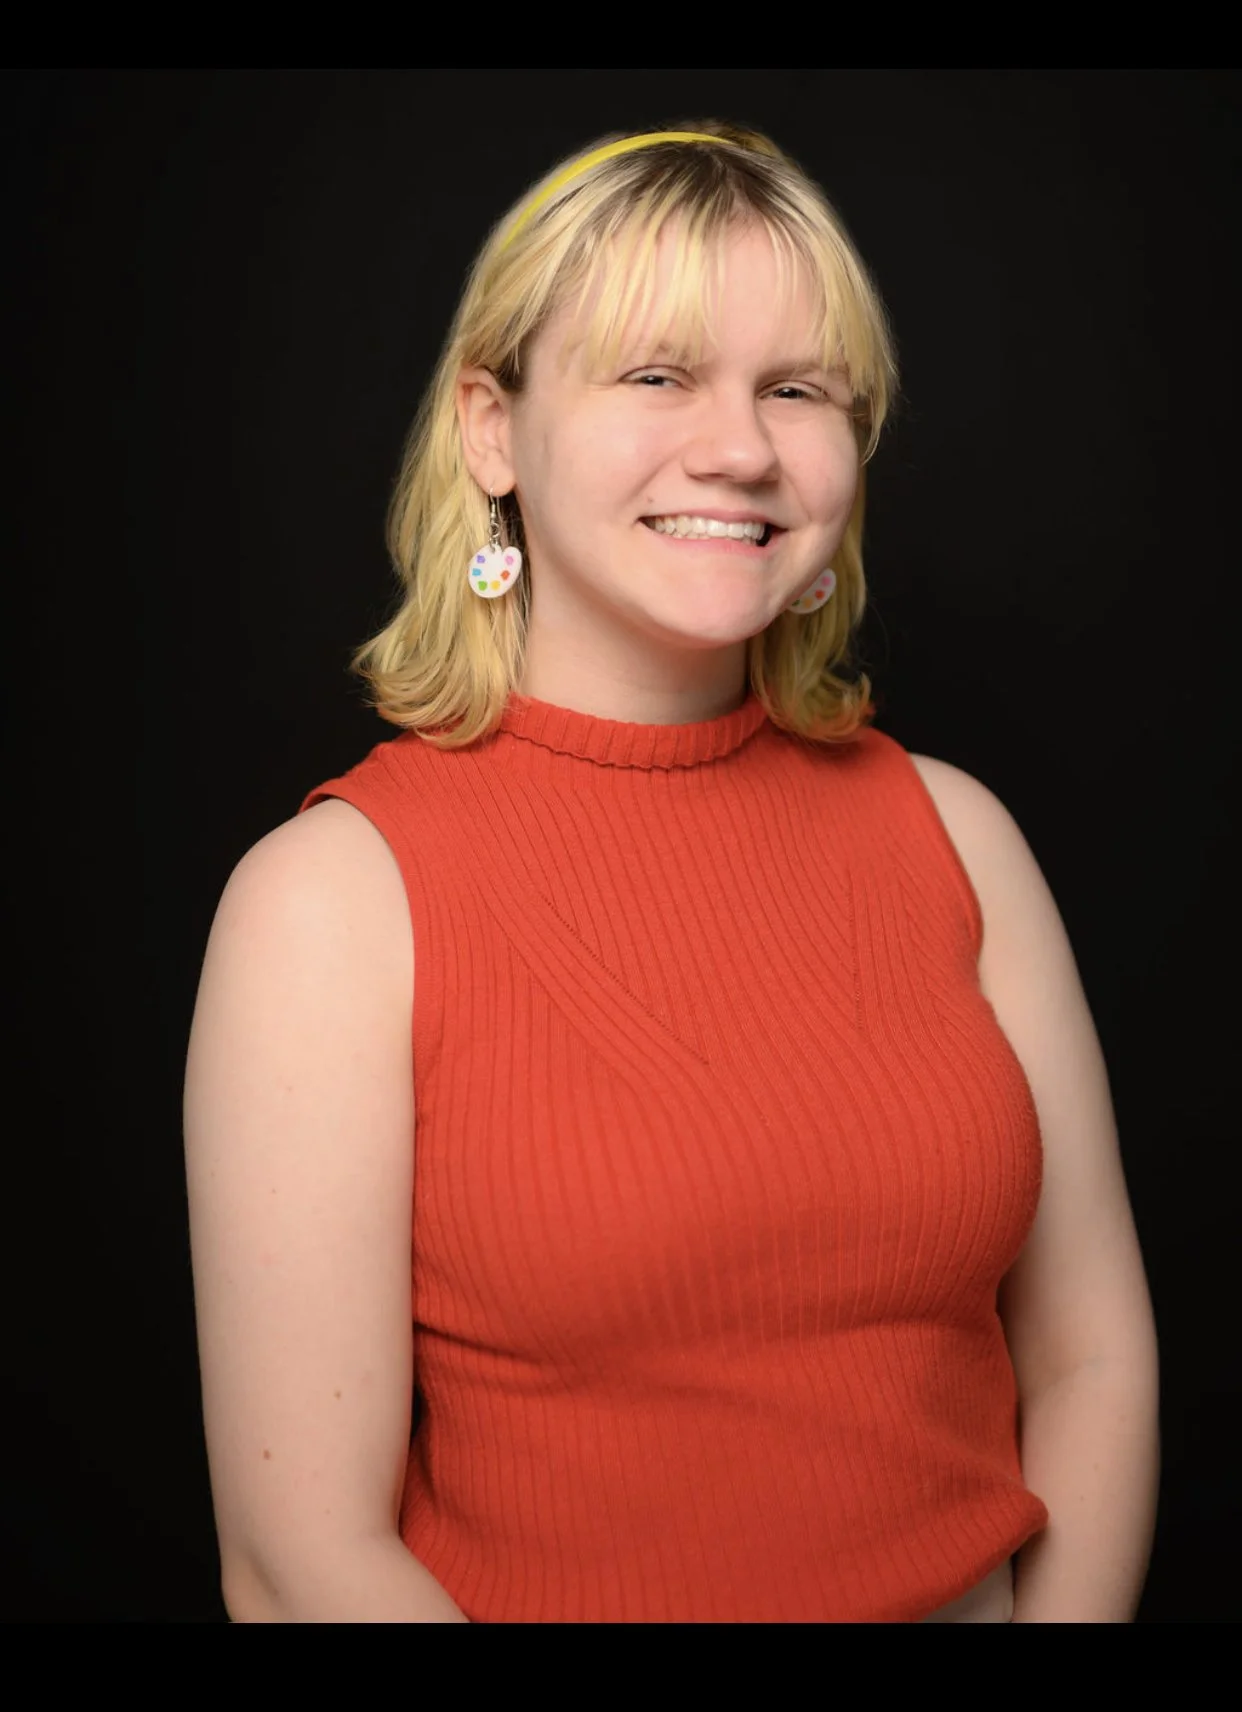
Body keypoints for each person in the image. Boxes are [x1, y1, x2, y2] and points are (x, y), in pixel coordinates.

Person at [183, 120, 1160, 1623]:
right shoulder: (329, 903)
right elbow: (297, 1556)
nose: (740, 447)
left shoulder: (954, 834)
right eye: (655, 374)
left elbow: (1090, 1356)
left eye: (795, 389)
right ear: (490, 429)